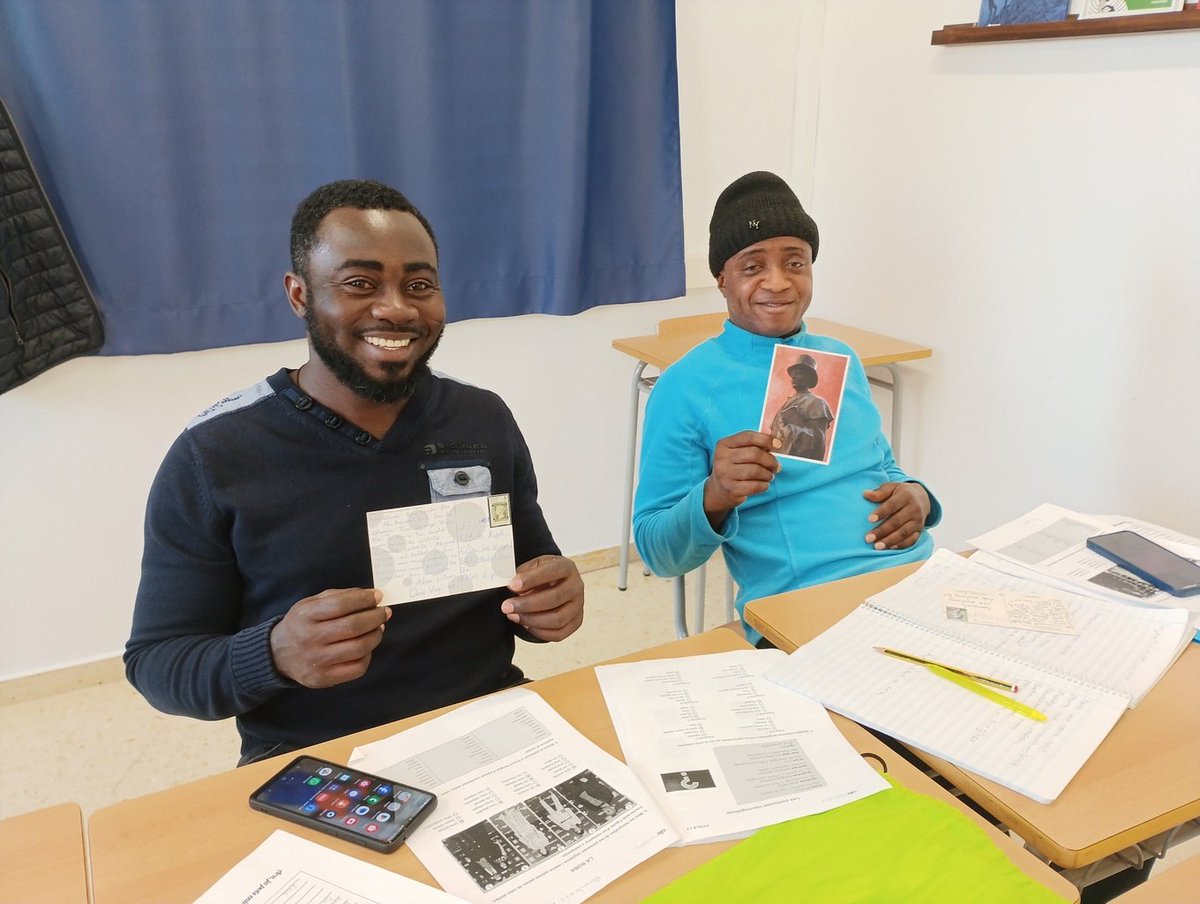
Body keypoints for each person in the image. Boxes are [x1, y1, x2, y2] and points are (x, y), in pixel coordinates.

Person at [125, 179, 584, 763]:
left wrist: (551, 601)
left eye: (419, 285)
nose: (395, 308)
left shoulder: (482, 419)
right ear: (299, 295)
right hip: (316, 756)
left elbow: (529, 573)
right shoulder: (214, 454)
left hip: (488, 719)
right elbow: (157, 663)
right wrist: (274, 653)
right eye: (359, 284)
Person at [633, 171, 940, 645]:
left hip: (917, 580)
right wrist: (715, 494)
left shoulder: (840, 359)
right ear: (722, 278)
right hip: (810, 610)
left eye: (794, 262)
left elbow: (881, 467)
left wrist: (917, 497)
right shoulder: (684, 387)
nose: (777, 282)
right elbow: (659, 553)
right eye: (753, 266)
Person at [769, 355, 833, 461]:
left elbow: (817, 443)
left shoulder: (817, 402)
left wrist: (789, 429)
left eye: (799, 373)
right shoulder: (786, 403)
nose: (794, 377)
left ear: (809, 377)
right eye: (793, 374)